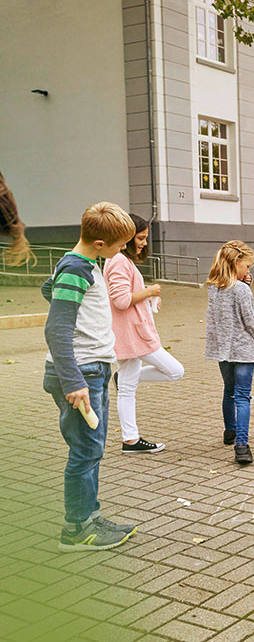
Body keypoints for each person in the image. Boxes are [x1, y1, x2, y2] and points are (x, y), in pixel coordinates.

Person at [41, 202, 138, 551]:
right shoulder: (76, 268)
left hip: (91, 369)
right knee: (85, 452)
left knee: (91, 450)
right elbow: (57, 329)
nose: (122, 251)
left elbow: (49, 291)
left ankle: (89, 515)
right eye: (119, 245)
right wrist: (74, 382)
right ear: (99, 244)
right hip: (81, 373)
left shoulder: (82, 265)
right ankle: (77, 529)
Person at [104, 214, 184, 454]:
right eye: (140, 238)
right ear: (126, 237)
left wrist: (148, 299)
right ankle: (130, 437)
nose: (144, 243)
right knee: (175, 371)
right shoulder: (118, 260)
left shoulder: (120, 260)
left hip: (130, 333)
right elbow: (120, 300)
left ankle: (130, 440)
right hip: (134, 336)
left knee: (127, 389)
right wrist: (149, 291)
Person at [205, 241, 254, 464]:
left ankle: (229, 432)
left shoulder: (214, 287)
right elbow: (250, 322)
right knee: (243, 396)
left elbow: (218, 317)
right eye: (247, 266)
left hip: (222, 350)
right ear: (236, 263)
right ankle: (241, 446)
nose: (248, 271)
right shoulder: (241, 290)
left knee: (229, 390)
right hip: (243, 350)